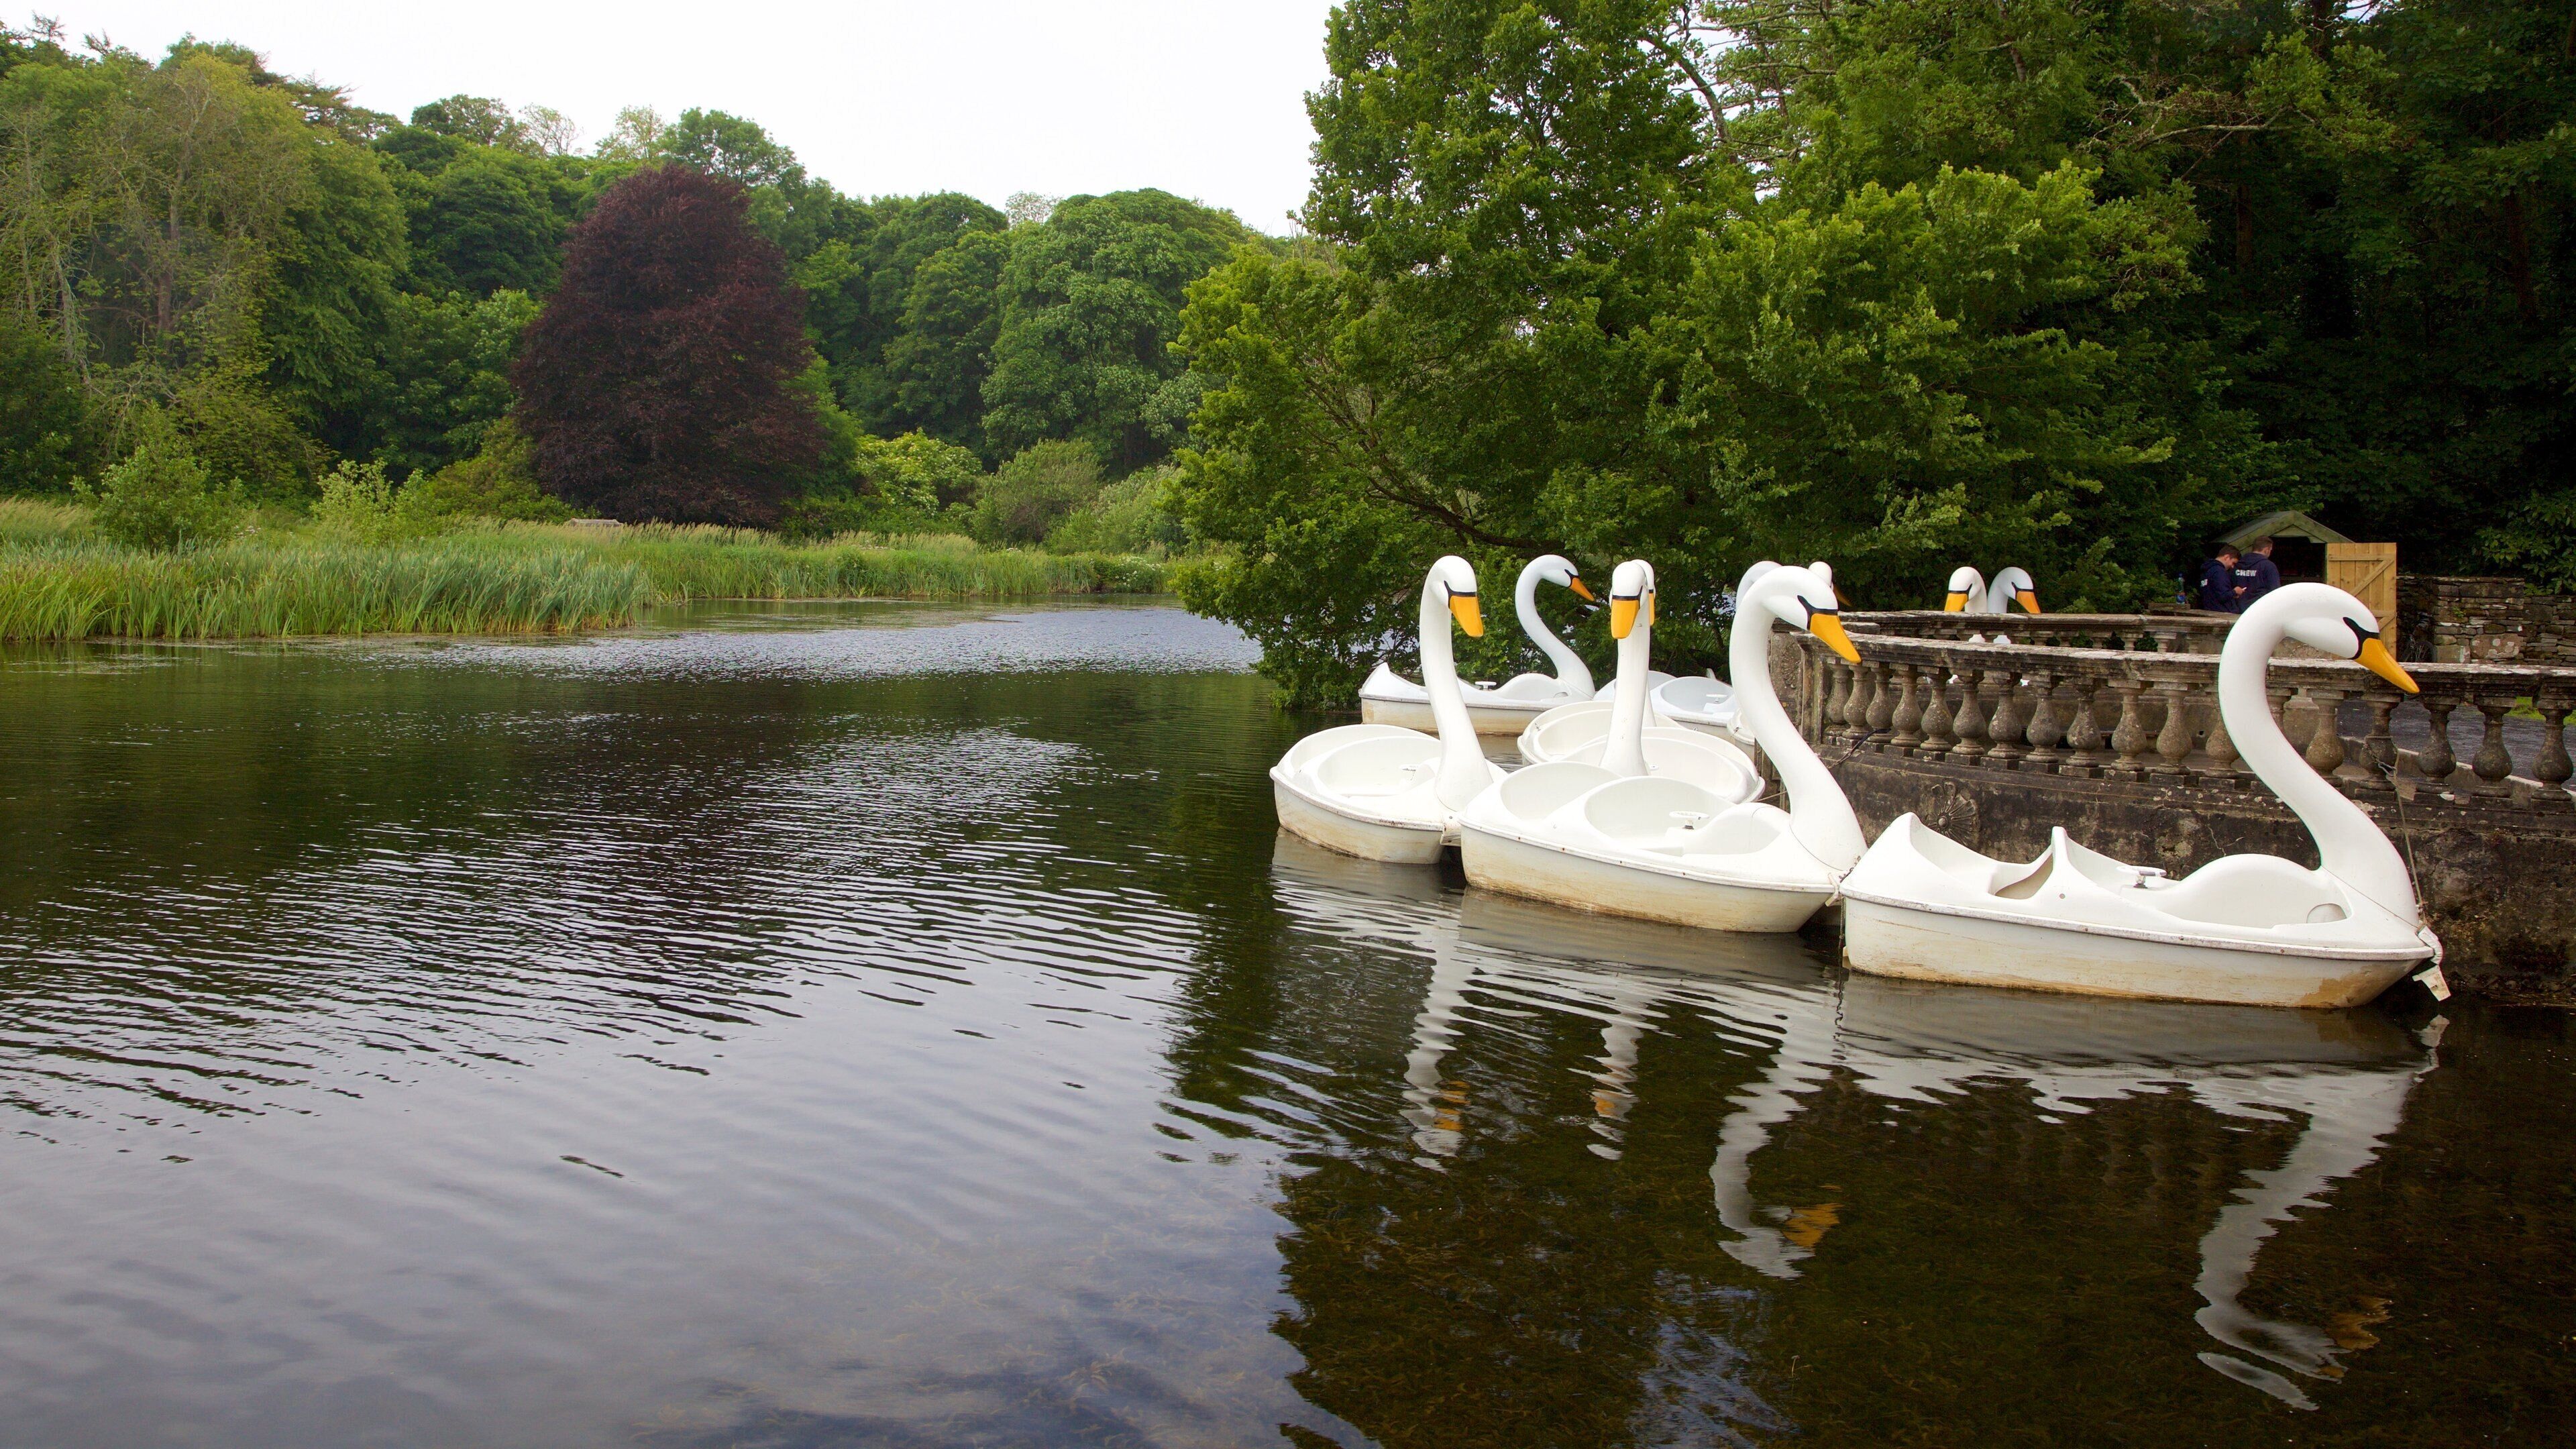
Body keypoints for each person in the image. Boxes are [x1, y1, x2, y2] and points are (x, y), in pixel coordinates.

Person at [2233, 536, 2282, 610]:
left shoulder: (2237, 565)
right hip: (2259, 609)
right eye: (2270, 550)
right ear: (2266, 550)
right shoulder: (2268, 566)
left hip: (2237, 608)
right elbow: (2275, 591)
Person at [2198, 544, 2241, 611]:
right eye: (2233, 563)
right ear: (2227, 557)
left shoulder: (2206, 571)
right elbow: (2223, 596)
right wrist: (2235, 591)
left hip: (2209, 610)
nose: (2233, 567)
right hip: (2222, 612)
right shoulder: (2219, 572)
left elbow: (2214, 594)